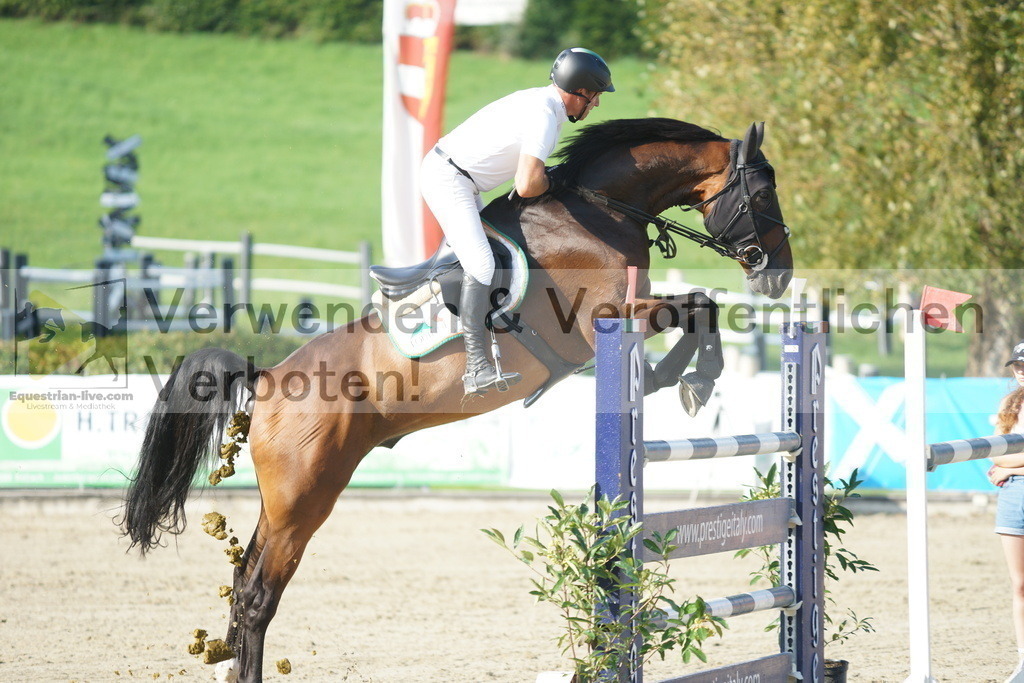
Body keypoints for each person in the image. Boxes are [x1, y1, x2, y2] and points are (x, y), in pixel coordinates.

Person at [419, 47, 615, 396]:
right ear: (580, 91)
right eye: (596, 95)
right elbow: (526, 185)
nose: (597, 104)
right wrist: (555, 181)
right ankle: (476, 367)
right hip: (449, 180)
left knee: (502, 254)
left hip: (462, 179)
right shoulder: (543, 114)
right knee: (481, 265)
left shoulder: (545, 106)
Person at [986, 340, 1024, 682]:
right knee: (1019, 584)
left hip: (1012, 483)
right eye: (1017, 364)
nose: (1021, 369)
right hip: (1014, 498)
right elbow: (997, 454)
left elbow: (1006, 462)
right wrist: (1011, 467)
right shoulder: (1009, 403)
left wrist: (1012, 468)